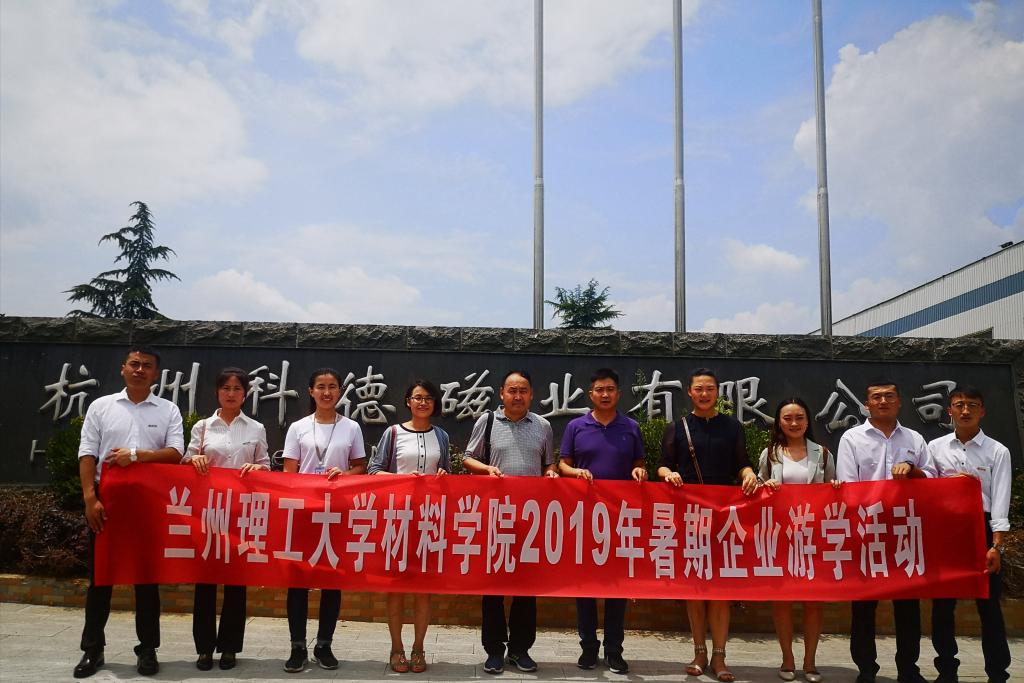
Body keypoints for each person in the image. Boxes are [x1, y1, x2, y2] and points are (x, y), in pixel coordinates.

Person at [73, 346, 185, 678]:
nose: (139, 370)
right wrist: (89, 498)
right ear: (123, 368)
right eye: (134, 364)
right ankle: (93, 650)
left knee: (147, 580)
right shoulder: (102, 406)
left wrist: (136, 455)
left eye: (146, 366)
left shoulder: (168, 409)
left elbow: (175, 453)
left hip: (150, 504)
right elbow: (87, 453)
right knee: (100, 580)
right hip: (107, 503)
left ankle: (147, 650)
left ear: (155, 373)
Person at [657, 368, 758, 683]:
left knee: (720, 590)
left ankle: (720, 656)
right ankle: (699, 652)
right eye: (699, 389)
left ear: (717, 392)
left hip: (724, 518)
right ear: (689, 392)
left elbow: (741, 463)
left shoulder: (732, 427)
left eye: (709, 389)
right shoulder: (678, 427)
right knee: (696, 588)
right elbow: (662, 465)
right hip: (691, 517)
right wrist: (668, 474)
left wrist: (749, 475)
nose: (704, 394)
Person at [836, 378, 935, 683]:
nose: (883, 402)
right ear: (867, 404)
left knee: (908, 607)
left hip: (905, 532)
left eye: (889, 396)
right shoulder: (852, 438)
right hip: (868, 532)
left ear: (899, 401)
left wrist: (913, 471)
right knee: (864, 607)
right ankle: (866, 670)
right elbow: (848, 486)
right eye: (876, 397)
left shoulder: (915, 439)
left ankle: (908, 669)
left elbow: (933, 478)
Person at [462, 370, 558, 675]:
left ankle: (520, 649)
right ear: (502, 393)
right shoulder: (487, 421)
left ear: (531, 394)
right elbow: (467, 458)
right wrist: (486, 469)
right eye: (512, 391)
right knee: (493, 588)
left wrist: (552, 473)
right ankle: (494, 651)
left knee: (526, 589)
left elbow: (548, 463)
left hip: (530, 522)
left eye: (523, 391)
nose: (518, 396)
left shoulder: (542, 426)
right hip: (495, 518)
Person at [558, 368, 647, 675]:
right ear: (591, 394)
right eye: (599, 389)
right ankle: (588, 648)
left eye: (610, 389)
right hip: (585, 517)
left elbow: (639, 462)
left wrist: (639, 471)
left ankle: (614, 650)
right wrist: (575, 472)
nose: (605, 394)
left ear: (618, 394)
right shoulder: (576, 426)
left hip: (620, 519)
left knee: (616, 588)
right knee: (585, 587)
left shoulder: (631, 427)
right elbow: (563, 464)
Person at [183, 367, 270, 671]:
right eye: (226, 388)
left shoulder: (256, 428)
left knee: (236, 583)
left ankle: (230, 647)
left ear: (245, 394)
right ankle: (204, 648)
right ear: (217, 392)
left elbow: (265, 465)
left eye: (237, 389)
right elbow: (186, 461)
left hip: (241, 514)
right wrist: (193, 459)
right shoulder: (203, 427)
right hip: (208, 513)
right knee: (205, 583)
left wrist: (259, 469)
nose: (231, 393)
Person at [281, 368, 366, 674]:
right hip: (303, 513)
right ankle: (297, 647)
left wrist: (345, 474)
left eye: (332, 387)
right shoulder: (298, 427)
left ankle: (324, 645)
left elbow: (360, 466)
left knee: (332, 582)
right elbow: (289, 472)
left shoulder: (351, 427)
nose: (327, 392)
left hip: (336, 512)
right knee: (298, 583)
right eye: (321, 387)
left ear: (340, 390)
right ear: (311, 391)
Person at [927, 386, 1011, 683]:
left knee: (988, 604)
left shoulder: (997, 451)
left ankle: (997, 672)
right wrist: (951, 483)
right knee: (942, 604)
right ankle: (946, 670)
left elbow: (1001, 498)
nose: (965, 411)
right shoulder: (935, 447)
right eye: (959, 405)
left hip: (982, 528)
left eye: (972, 405)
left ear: (982, 411)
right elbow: (926, 486)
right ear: (949, 410)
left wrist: (996, 546)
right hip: (946, 529)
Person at [368, 379, 451, 674]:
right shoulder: (393, 433)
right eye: (417, 397)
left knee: (423, 588)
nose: (423, 402)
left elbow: (447, 474)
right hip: (397, 519)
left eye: (428, 398)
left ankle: (418, 648)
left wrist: (443, 475)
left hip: (429, 520)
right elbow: (374, 471)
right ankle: (396, 648)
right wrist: (401, 479)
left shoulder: (441, 435)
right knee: (396, 588)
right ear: (407, 401)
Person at [757, 397, 841, 683]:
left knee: (813, 602)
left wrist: (835, 487)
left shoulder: (823, 453)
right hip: (781, 538)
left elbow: (834, 490)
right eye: (788, 418)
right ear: (779, 422)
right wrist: (765, 486)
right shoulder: (770, 453)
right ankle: (787, 659)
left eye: (799, 418)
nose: (794, 423)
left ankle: (810, 662)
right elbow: (756, 490)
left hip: (813, 538)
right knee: (782, 601)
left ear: (807, 420)